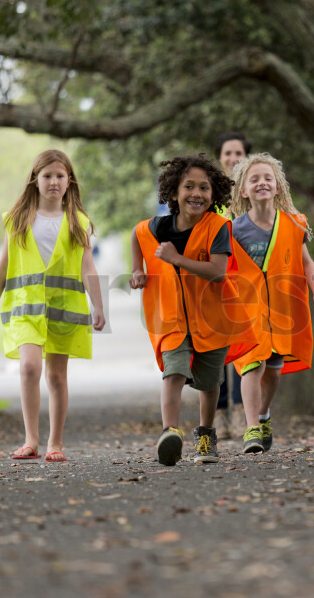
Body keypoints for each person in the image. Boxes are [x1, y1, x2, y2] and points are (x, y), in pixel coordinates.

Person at [129, 154, 258, 465]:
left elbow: (217, 271)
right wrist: (137, 269)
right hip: (171, 320)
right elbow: (137, 233)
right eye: (189, 186)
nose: (197, 193)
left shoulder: (218, 228)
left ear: (214, 196)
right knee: (173, 372)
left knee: (210, 382)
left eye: (204, 188)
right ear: (174, 192)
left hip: (212, 319)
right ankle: (169, 433)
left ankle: (205, 434)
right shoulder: (155, 228)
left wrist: (176, 259)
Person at [0, 149, 106, 463]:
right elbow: (2, 266)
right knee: (28, 368)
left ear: (69, 182)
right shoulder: (18, 219)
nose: (53, 181)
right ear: (35, 181)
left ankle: (55, 442)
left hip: (63, 308)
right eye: (47, 175)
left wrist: (99, 306)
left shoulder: (77, 222)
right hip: (26, 308)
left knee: (56, 377)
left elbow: (87, 267)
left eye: (60, 176)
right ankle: (31, 439)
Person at [229, 153, 314, 453]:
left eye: (267, 178)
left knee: (272, 371)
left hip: (281, 313)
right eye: (254, 179)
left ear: (278, 187)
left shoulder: (293, 224)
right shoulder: (233, 230)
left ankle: (263, 415)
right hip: (247, 313)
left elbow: (306, 263)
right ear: (243, 190)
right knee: (251, 367)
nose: (262, 183)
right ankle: (250, 430)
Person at [212, 131, 253, 440]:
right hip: (214, 280)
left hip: (245, 282)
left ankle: (241, 411)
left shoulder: (254, 191)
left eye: (238, 152)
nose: (232, 158)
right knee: (215, 346)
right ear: (220, 157)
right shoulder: (211, 193)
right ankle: (219, 412)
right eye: (227, 153)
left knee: (244, 346)